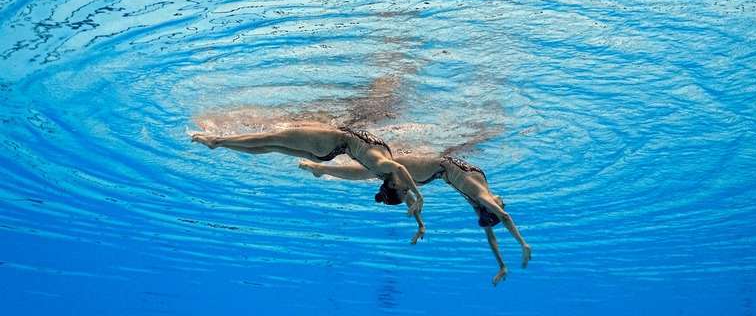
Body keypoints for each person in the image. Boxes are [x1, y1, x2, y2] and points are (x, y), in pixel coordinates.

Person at [299, 152, 531, 285]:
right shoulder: (481, 197)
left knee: (374, 173)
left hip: (428, 172)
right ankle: (320, 168)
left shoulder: (478, 200)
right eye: (491, 209)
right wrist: (522, 244)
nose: (501, 201)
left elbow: (492, 233)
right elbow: (504, 216)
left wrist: (502, 264)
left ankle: (321, 168)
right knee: (372, 172)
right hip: (427, 169)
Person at [190, 122, 426, 237]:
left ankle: (217, 141)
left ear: (395, 185)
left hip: (327, 143)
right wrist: (419, 223)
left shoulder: (382, 165)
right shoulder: (381, 175)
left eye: (404, 190)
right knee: (271, 147)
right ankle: (220, 144)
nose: (407, 189)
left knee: (271, 137)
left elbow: (400, 170)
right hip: (326, 153)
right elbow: (401, 193)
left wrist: (419, 196)